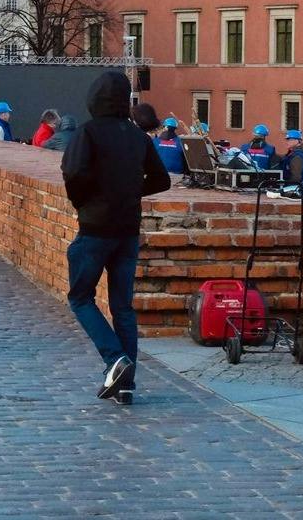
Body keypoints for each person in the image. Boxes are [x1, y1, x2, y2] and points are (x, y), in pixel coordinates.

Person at [61, 70, 171, 404]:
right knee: (123, 307)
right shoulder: (138, 137)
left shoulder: (89, 132)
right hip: (127, 230)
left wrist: (85, 201)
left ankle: (115, 359)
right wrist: (130, 191)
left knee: (80, 297)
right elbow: (162, 180)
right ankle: (126, 384)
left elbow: (74, 172)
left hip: (96, 228)